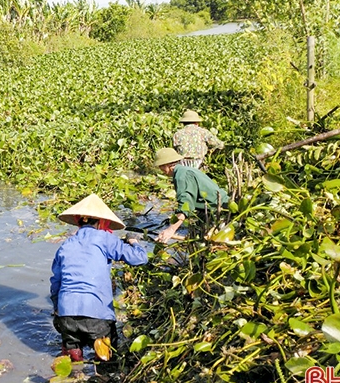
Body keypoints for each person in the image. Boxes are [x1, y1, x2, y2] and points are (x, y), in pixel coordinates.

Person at [50, 194, 148, 367]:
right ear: (102, 223)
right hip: (96, 315)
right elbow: (139, 258)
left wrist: (57, 310)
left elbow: (55, 283)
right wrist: (133, 241)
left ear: (78, 221)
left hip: (66, 314)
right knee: (107, 362)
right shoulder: (105, 239)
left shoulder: (66, 245)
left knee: (72, 360)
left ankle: (72, 382)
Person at [154, 147, 229, 243]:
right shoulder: (185, 170)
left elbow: (186, 204)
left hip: (220, 210)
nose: (161, 170)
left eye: (161, 166)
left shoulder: (182, 176)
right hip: (214, 208)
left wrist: (171, 230)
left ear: (167, 165)